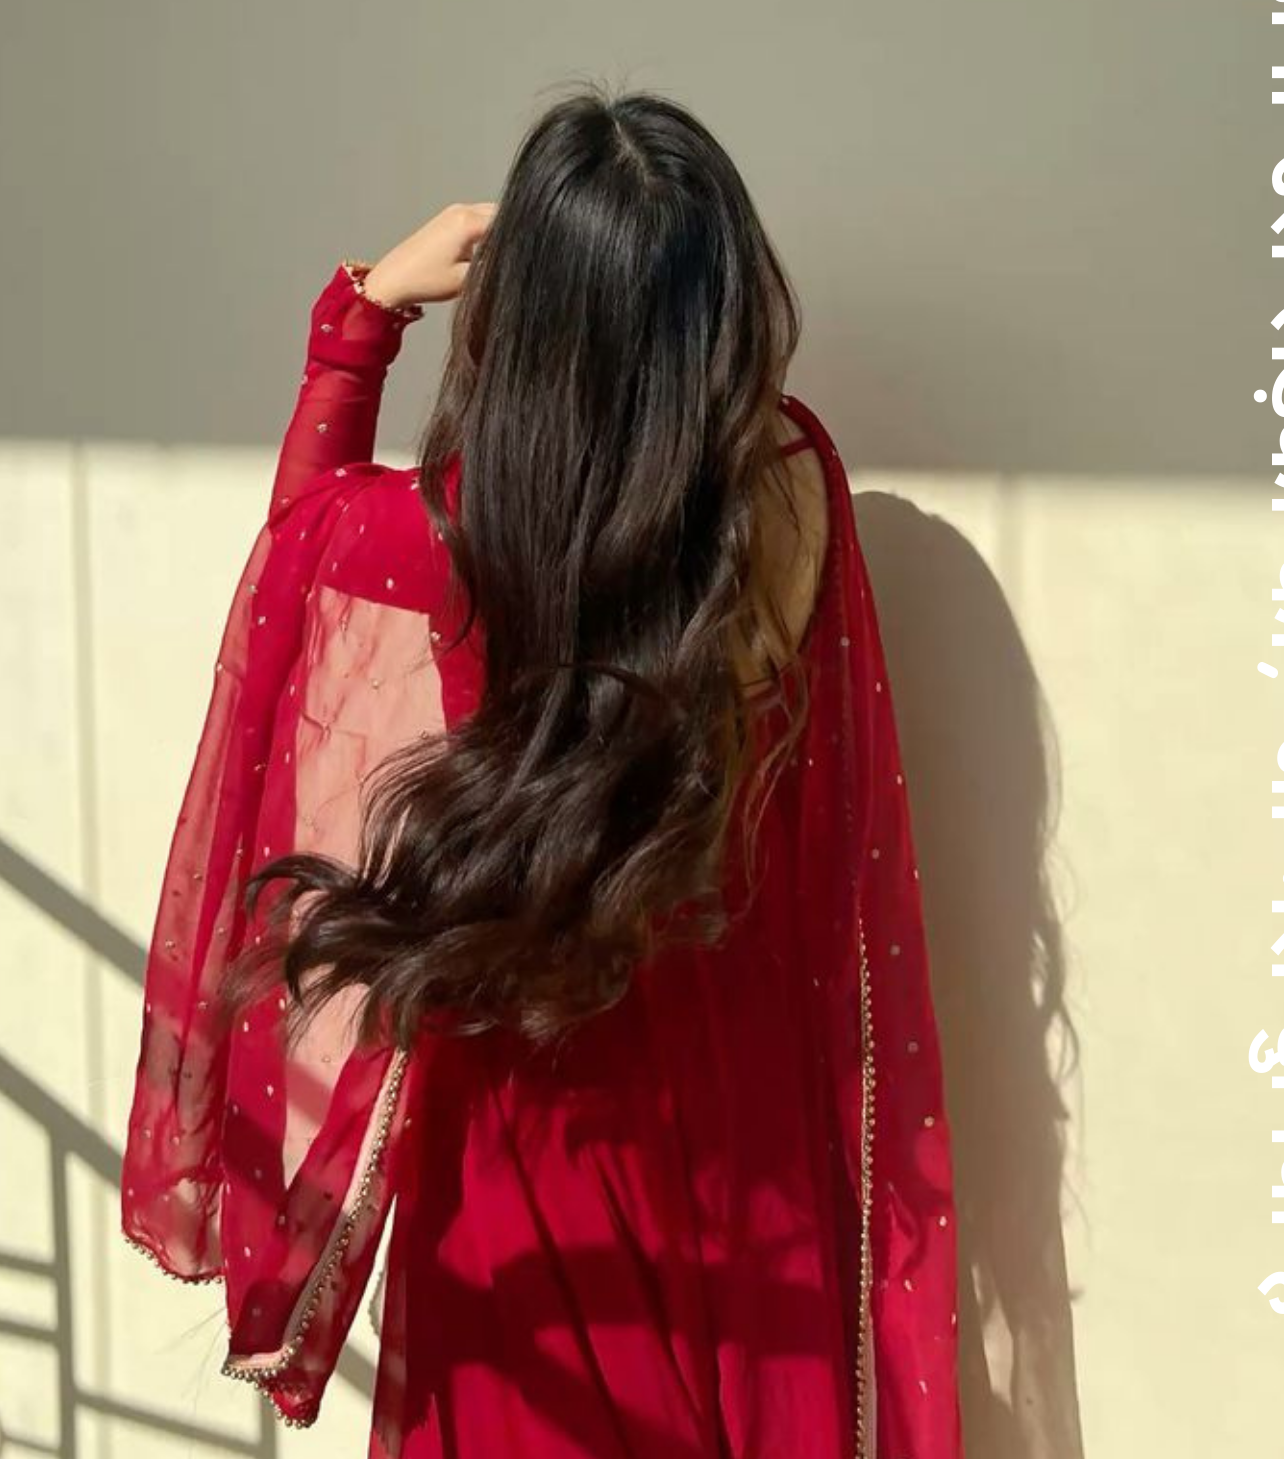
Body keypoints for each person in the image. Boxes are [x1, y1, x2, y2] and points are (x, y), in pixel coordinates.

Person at [120, 87, 960, 1458]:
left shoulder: (447, 533)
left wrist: (360, 318)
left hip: (530, 1090)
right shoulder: (791, 483)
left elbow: (292, 568)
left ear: (523, 324)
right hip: (746, 1099)